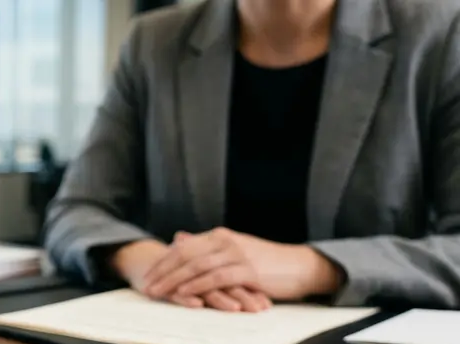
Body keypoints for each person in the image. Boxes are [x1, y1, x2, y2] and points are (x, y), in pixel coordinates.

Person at [45, 0, 460, 312]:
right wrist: (154, 264)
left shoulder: (441, 36)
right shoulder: (153, 45)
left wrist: (309, 267)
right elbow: (75, 211)